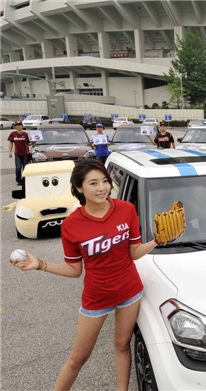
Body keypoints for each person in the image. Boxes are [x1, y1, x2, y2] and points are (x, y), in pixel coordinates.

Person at [10, 159, 160, 390]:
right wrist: (39, 264)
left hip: (130, 291)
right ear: (79, 188)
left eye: (105, 181)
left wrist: (157, 241)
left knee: (122, 345)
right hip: (96, 299)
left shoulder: (126, 210)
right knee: (77, 358)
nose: (102, 188)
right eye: (93, 183)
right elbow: (74, 269)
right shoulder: (71, 225)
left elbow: (134, 253)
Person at [8, 120, 30, 185]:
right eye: (17, 125)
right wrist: (10, 152)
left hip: (25, 153)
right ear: (15, 126)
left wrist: (33, 142)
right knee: (18, 167)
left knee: (25, 167)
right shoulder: (13, 134)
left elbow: (29, 143)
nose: (18, 126)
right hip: (17, 154)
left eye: (20, 125)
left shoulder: (26, 134)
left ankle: (25, 180)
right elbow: (10, 143)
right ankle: (18, 180)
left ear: (22, 126)